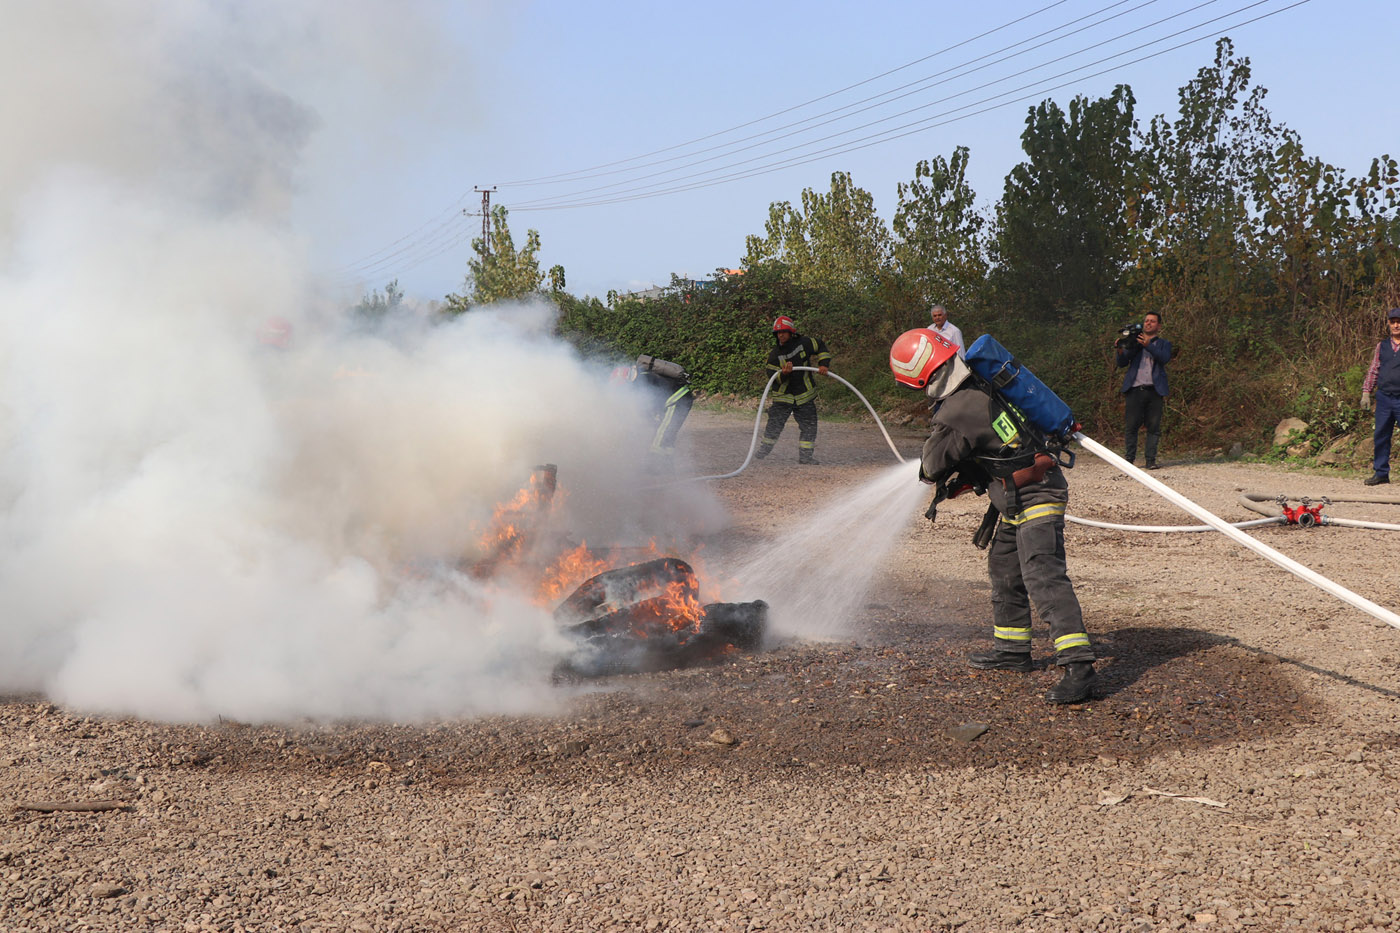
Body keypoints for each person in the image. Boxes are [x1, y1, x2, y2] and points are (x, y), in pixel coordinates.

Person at [889, 327, 1096, 704]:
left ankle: (1079, 667)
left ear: (920, 379)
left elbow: (932, 466)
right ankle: (1013, 651)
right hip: (1015, 496)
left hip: (1036, 494)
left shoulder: (955, 410)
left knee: (1043, 578)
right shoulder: (978, 382)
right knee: (1004, 568)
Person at [756, 316, 831, 464]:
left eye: (783, 332)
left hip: (804, 395)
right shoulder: (775, 354)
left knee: (809, 426)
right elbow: (772, 377)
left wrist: (824, 364)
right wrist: (783, 374)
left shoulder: (804, 343)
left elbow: (821, 346)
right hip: (783, 397)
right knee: (774, 425)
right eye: (778, 333)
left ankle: (805, 457)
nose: (780, 335)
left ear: (791, 332)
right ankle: (763, 451)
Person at [1115, 310, 1173, 470]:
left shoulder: (1164, 343)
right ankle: (1129, 460)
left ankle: (1150, 461)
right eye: (1146, 321)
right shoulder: (1134, 342)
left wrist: (1149, 345)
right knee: (1131, 426)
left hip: (1155, 390)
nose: (1148, 323)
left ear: (1159, 326)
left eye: (1152, 321)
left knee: (1153, 427)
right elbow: (1122, 363)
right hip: (1135, 389)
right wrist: (1120, 350)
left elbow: (1164, 358)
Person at [1360, 308, 1400, 485]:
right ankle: (1381, 473)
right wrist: (1366, 392)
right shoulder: (1381, 346)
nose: (1396, 325)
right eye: (1393, 322)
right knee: (1381, 435)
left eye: (1399, 321)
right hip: (1384, 398)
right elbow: (1374, 369)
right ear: (1389, 324)